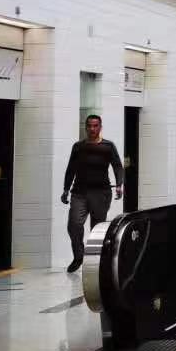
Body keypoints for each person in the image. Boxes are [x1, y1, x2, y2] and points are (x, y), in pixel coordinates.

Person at [60, 113, 124, 273]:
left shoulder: (108, 146)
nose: (92, 129)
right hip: (79, 192)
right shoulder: (78, 147)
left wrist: (119, 184)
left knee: (97, 229)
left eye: (95, 126)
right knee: (74, 225)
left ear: (100, 127)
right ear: (85, 127)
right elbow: (70, 169)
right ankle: (78, 256)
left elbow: (117, 166)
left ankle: (95, 262)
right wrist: (66, 189)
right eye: (89, 126)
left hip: (101, 193)